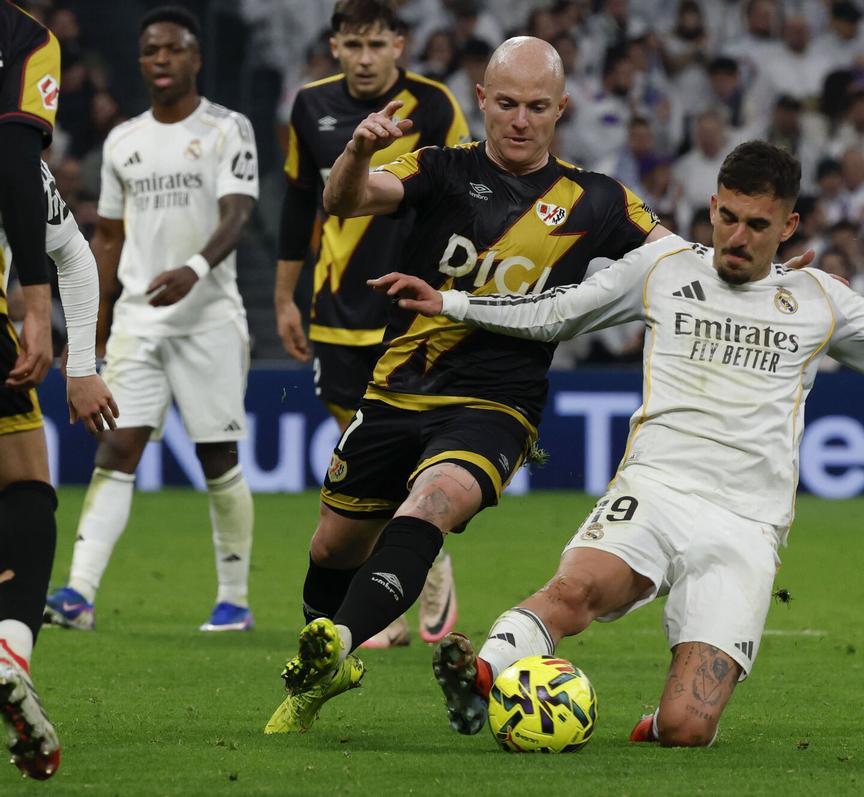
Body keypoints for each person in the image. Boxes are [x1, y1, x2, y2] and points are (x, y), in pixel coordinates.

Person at [374, 140, 864, 746]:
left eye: (757, 225)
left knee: (688, 729)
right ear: (710, 207)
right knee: (576, 589)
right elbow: (555, 312)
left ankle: (646, 725)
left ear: (789, 226)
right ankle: (479, 675)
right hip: (657, 487)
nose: (737, 237)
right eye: (727, 217)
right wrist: (452, 300)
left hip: (745, 522)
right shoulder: (662, 268)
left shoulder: (819, 301)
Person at [263, 35, 669, 734]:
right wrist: (358, 150)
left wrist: (777, 276)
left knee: (431, 502)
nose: (519, 119)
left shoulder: (596, 200)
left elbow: (680, 258)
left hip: (496, 402)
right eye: (505, 102)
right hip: (399, 386)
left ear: (561, 108)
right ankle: (323, 664)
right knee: (332, 546)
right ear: (481, 100)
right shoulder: (440, 169)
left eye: (537, 106)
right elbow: (345, 199)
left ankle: (339, 643)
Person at [44, 5, 259, 634]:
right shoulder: (124, 139)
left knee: (217, 454)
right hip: (140, 316)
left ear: (195, 57)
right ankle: (78, 594)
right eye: (149, 51)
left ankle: (234, 600)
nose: (159, 60)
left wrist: (194, 267)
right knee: (118, 447)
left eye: (172, 49)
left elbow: (239, 211)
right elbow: (107, 237)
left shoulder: (228, 128)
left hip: (209, 318)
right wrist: (98, 323)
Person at [274, 0, 470, 650]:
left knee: (404, 457)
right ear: (334, 46)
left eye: (376, 45)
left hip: (412, 310)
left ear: (399, 45)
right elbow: (300, 201)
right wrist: (283, 296)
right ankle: (400, 586)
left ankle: (415, 573)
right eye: (352, 44)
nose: (364, 58)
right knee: (362, 463)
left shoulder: (435, 105)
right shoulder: (310, 107)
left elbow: (469, 196)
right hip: (335, 309)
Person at [1, 1, 118, 779]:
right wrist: (44, 320)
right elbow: (16, 160)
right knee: (25, 488)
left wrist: (81, 365)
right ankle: (10, 647)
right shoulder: (21, 39)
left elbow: (74, 250)